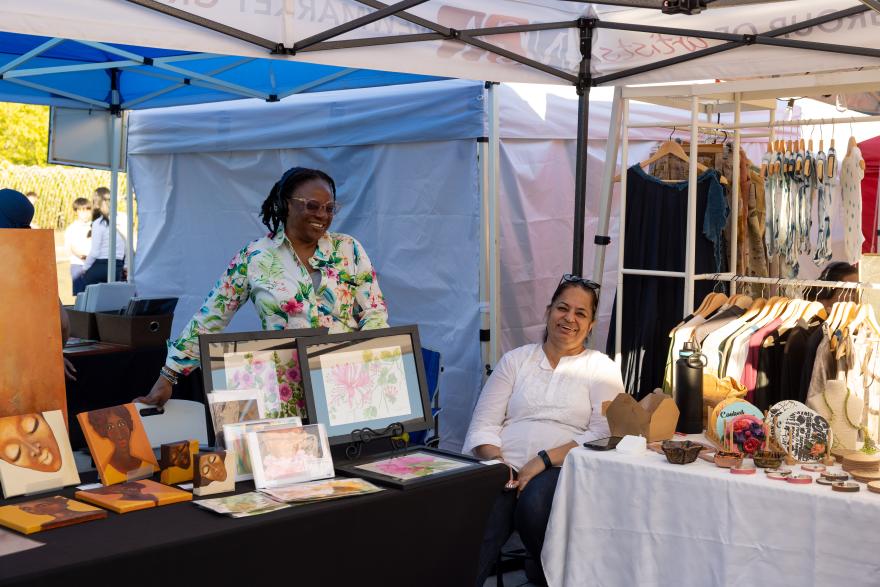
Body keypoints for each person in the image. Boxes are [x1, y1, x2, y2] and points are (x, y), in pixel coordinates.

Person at [135, 167, 389, 407]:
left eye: (329, 208)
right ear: (286, 204)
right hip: (286, 390)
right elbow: (210, 317)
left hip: (346, 384)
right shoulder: (255, 257)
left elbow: (374, 313)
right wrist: (168, 377)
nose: (322, 215)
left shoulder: (349, 249)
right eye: (312, 205)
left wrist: (373, 368)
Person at [462, 275, 625, 586]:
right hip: (504, 465)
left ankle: (553, 576)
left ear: (590, 325)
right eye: (563, 308)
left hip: (564, 467)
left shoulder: (601, 368)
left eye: (581, 313)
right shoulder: (516, 361)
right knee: (490, 508)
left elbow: (605, 433)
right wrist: (499, 466)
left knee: (534, 501)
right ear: (549, 311)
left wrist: (543, 460)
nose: (569, 318)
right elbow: (483, 424)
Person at [0, 188, 76, 381]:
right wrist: (52, 355)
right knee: (40, 413)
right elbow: (63, 323)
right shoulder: (34, 262)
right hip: (31, 376)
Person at [86, 405, 155, 485]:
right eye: (110, 427)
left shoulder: (147, 465)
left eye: (121, 423)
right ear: (103, 432)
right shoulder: (107, 471)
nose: (119, 434)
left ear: (129, 424)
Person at [77, 190, 126, 291]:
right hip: (118, 266)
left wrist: (85, 268)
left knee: (88, 299)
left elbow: (95, 252)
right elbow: (129, 246)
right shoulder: (123, 218)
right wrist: (126, 266)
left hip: (101, 267)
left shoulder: (98, 223)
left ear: (97, 203)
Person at [65, 197, 93, 294]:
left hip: (92, 265)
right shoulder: (72, 228)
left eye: (87, 210)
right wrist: (81, 256)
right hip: (78, 265)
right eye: (81, 211)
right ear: (76, 211)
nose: (85, 214)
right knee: (80, 295)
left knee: (93, 294)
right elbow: (71, 247)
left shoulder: (95, 226)